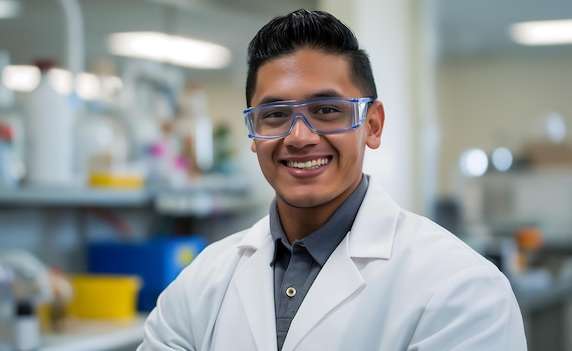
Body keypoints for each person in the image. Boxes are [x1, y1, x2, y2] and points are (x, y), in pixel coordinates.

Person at [138, 9, 527, 351]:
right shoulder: (200, 284)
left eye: (326, 110)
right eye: (274, 115)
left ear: (372, 125)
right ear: (253, 134)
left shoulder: (461, 289)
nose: (300, 137)